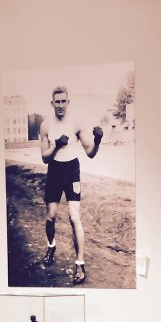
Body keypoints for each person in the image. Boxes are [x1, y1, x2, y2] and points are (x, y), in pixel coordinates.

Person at [39, 85, 104, 285]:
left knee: (74, 217)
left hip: (71, 171)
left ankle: (80, 264)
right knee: (50, 217)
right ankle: (51, 246)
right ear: (52, 103)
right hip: (54, 171)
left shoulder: (76, 123)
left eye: (63, 101)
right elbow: (44, 158)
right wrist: (56, 145)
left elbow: (90, 153)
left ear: (68, 102)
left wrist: (98, 140)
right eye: (57, 101)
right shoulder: (45, 126)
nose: (60, 105)